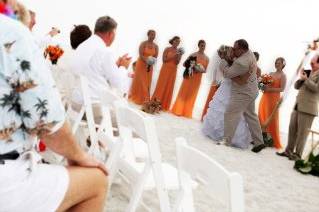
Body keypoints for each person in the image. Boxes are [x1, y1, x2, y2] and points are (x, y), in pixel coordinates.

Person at [0, 13, 107, 212]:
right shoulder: (11, 32)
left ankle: (97, 139)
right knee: (97, 181)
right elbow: (46, 122)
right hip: (5, 179)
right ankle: (98, 141)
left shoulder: (69, 55)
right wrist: (78, 155)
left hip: (77, 105)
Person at [71, 15, 132, 123]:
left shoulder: (83, 46)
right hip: (94, 109)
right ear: (110, 34)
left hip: (76, 103)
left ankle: (96, 139)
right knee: (131, 125)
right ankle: (100, 139)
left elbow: (93, 70)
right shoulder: (104, 51)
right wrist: (123, 67)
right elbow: (119, 85)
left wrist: (115, 65)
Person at [221, 39, 266, 153]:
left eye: (235, 48)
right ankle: (259, 142)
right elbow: (237, 76)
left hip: (243, 93)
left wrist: (225, 60)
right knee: (251, 115)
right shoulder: (250, 53)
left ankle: (226, 141)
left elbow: (227, 74)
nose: (233, 50)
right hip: (252, 90)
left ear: (241, 49)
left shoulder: (241, 62)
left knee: (230, 113)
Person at [202, 45, 252, 149]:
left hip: (236, 90)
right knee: (221, 110)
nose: (231, 54)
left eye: (232, 52)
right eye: (229, 52)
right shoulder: (223, 63)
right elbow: (227, 75)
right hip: (226, 89)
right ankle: (219, 134)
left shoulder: (236, 62)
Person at [277, 55, 319, 160]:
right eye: (311, 62)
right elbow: (296, 86)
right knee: (292, 129)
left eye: (313, 62)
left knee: (302, 133)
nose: (311, 64)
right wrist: (302, 78)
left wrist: (306, 80)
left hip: (308, 109)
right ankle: (288, 151)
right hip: (298, 105)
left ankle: (297, 155)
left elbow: (316, 89)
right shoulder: (308, 72)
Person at [171, 40, 209, 118]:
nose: (203, 47)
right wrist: (193, 67)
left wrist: (200, 69)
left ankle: (186, 112)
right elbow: (184, 64)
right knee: (184, 92)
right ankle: (178, 110)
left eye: (204, 46)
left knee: (192, 94)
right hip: (189, 76)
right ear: (198, 46)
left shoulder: (206, 58)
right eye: (201, 45)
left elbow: (205, 70)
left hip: (197, 79)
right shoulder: (193, 54)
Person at [258, 57, 287, 149]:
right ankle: (260, 137)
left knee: (271, 118)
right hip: (265, 98)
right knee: (261, 115)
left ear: (283, 64)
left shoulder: (283, 76)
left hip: (274, 99)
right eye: (276, 62)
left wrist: (269, 89)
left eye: (279, 63)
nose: (277, 64)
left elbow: (282, 89)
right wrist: (261, 86)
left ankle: (271, 140)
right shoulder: (270, 74)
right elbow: (263, 84)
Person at [151, 36, 183, 110]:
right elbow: (164, 60)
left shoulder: (179, 52)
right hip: (165, 69)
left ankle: (163, 105)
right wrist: (174, 55)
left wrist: (179, 55)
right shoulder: (167, 49)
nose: (177, 43)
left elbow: (177, 63)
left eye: (178, 42)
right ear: (172, 41)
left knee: (169, 86)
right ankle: (155, 103)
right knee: (161, 85)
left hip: (173, 70)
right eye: (176, 41)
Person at [129, 29, 159, 104]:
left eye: (154, 35)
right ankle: (135, 97)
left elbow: (155, 57)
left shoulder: (156, 46)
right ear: (148, 35)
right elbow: (141, 54)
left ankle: (144, 99)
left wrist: (151, 62)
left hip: (149, 66)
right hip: (141, 64)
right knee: (139, 80)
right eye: (151, 34)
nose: (153, 36)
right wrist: (146, 60)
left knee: (146, 82)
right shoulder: (143, 43)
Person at [201, 45, 227, 120]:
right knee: (211, 98)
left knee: (217, 100)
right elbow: (214, 71)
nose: (223, 53)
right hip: (215, 81)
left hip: (222, 82)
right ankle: (206, 116)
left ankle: (212, 118)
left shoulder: (225, 61)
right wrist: (215, 80)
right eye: (222, 52)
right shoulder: (217, 60)